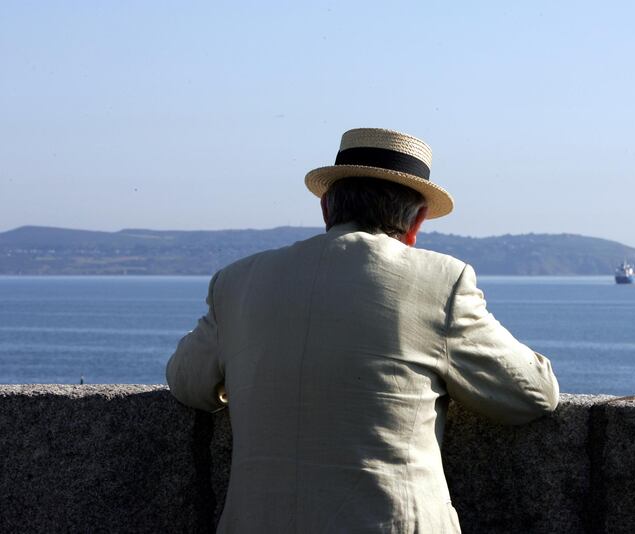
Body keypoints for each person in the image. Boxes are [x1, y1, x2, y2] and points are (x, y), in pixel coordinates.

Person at [166, 128, 559, 533]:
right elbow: (532, 394)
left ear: (326, 207)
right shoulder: (441, 281)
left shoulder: (237, 281)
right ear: (418, 218)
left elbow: (187, 382)